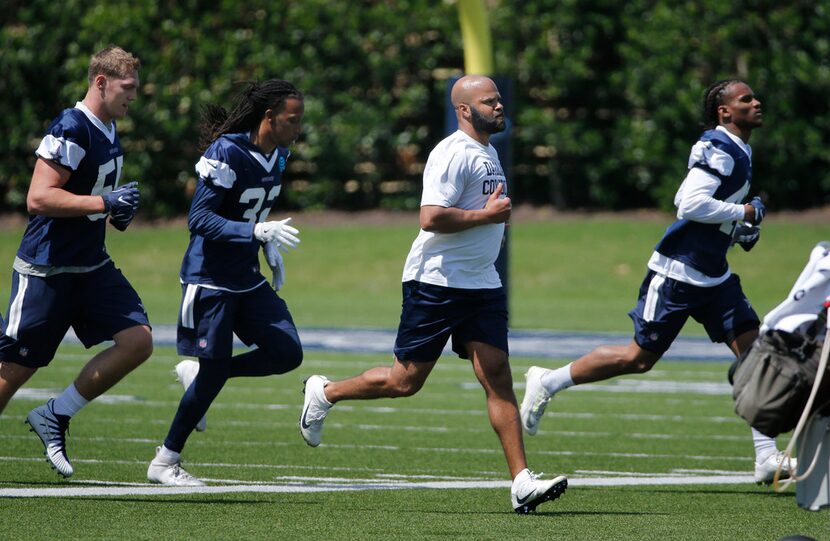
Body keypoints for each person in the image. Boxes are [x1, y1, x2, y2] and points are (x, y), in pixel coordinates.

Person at [299, 75, 567, 514]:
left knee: (497, 374)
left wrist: (493, 226)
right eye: (489, 101)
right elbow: (430, 217)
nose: (499, 107)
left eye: (499, 99)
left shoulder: (490, 152)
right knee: (404, 382)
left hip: (481, 282)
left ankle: (521, 483)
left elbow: (483, 213)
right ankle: (325, 393)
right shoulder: (451, 152)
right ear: (463, 110)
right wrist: (487, 217)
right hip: (437, 283)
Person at [519, 78, 797, 485]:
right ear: (724, 112)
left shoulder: (740, 147)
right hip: (679, 273)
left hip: (714, 275)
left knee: (754, 355)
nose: (757, 102)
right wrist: (744, 215)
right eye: (746, 99)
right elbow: (688, 203)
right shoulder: (718, 146)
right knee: (639, 358)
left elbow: (714, 212)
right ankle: (547, 380)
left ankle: (766, 455)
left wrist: (738, 229)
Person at [0, 46, 152, 478]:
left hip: (90, 265)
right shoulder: (71, 125)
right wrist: (102, 201)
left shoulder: (109, 126)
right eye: (128, 88)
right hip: (48, 268)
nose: (134, 97)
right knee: (14, 368)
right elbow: (39, 197)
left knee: (138, 340)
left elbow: (90, 198)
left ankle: (55, 414)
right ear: (101, 83)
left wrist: (112, 211)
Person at [147, 80, 305, 486]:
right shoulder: (227, 151)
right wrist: (253, 234)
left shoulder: (281, 156)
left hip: (246, 277)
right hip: (211, 279)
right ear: (269, 117)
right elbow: (198, 219)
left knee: (286, 352)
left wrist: (267, 247)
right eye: (292, 119)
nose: (298, 127)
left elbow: (256, 209)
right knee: (214, 371)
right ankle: (165, 461)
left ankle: (203, 376)